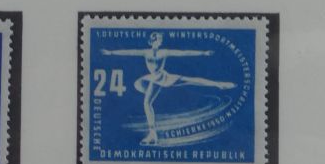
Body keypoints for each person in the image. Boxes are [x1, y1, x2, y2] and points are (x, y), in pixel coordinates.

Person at [99, 33, 236, 144]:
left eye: (161, 39)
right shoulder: (146, 52)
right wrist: (111, 52)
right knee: (147, 103)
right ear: (152, 41)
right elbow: (129, 52)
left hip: (164, 77)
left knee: (189, 80)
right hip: (154, 79)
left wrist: (203, 53)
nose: (160, 41)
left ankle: (219, 84)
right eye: (158, 39)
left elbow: (183, 53)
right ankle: (152, 134)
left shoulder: (164, 52)